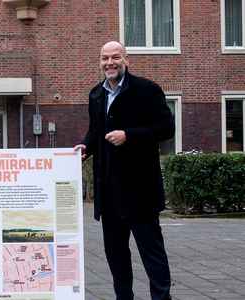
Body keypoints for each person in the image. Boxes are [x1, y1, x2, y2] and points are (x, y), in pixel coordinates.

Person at [74, 41, 174, 300]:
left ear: (125, 59)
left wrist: (129, 135)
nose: (110, 62)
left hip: (141, 193)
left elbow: (166, 129)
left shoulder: (147, 90)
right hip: (109, 196)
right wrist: (85, 147)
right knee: (117, 260)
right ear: (99, 61)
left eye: (115, 57)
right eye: (104, 57)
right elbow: (96, 133)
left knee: (153, 257)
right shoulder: (96, 94)